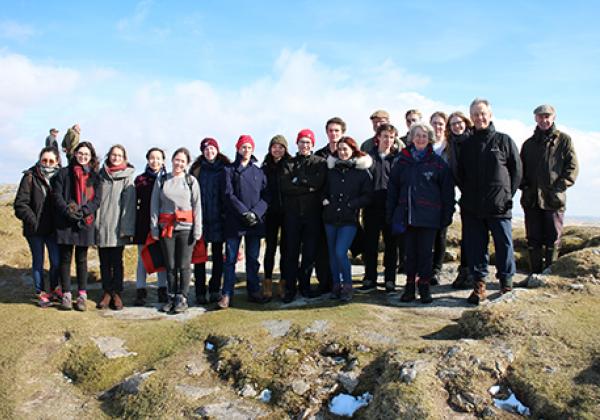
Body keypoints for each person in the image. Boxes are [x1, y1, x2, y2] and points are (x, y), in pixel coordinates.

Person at [457, 98, 522, 305]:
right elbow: (460, 175)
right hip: (472, 207)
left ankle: (506, 283)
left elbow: (517, 171)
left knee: (504, 245)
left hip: (499, 206)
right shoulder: (466, 145)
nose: (479, 117)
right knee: (476, 247)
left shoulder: (504, 141)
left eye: (483, 113)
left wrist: (506, 195)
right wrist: (467, 195)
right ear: (471, 117)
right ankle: (479, 286)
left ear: (490, 115)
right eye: (475, 114)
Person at [387, 123, 455, 304]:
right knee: (409, 254)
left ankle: (424, 287)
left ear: (430, 139)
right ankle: (409, 288)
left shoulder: (438, 163)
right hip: (406, 215)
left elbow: (447, 192)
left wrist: (447, 215)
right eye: (417, 135)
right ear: (411, 138)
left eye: (424, 136)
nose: (420, 139)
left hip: (429, 217)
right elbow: (393, 188)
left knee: (426, 254)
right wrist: (391, 212)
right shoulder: (402, 161)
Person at [519, 104, 578, 277]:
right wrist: (525, 187)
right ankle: (534, 276)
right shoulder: (528, 144)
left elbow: (572, 167)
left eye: (547, 116)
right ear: (535, 118)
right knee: (533, 239)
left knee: (553, 240)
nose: (544, 120)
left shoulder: (564, 140)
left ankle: (549, 276)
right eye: (540, 116)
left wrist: (558, 188)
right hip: (531, 200)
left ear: (553, 117)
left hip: (554, 200)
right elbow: (519, 170)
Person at [219, 135, 269, 309]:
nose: (246, 150)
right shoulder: (228, 170)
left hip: (255, 221)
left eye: (249, 147)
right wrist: (244, 212)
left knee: (253, 258)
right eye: (243, 147)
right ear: (238, 149)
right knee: (230, 259)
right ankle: (226, 293)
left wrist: (255, 213)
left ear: (253, 149)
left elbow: (266, 195)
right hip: (235, 221)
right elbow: (228, 194)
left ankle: (254, 290)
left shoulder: (259, 171)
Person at [150, 147, 202, 314]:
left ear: (187, 164)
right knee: (170, 265)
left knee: (184, 264)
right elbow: (154, 205)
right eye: (176, 160)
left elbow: (197, 206)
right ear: (172, 160)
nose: (179, 163)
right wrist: (154, 227)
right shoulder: (162, 179)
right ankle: (171, 296)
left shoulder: (191, 181)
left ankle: (183, 297)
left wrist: (197, 230)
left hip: (186, 228)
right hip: (167, 228)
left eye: (182, 161)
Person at [52, 141, 102, 311]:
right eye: (80, 153)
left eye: (86, 154)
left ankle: (82, 295)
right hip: (65, 221)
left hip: (85, 222)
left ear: (91, 157)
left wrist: (84, 211)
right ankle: (66, 293)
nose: (83, 156)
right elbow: (56, 195)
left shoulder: (95, 177)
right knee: (65, 259)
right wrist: (68, 211)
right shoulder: (63, 173)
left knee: (82, 260)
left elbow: (97, 200)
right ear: (75, 154)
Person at [323, 137, 373, 301]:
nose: (342, 152)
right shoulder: (331, 170)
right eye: (340, 149)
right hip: (330, 217)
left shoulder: (361, 172)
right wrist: (325, 200)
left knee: (340, 252)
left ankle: (347, 286)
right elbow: (322, 189)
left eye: (346, 149)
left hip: (349, 219)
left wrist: (353, 204)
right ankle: (336, 285)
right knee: (331, 254)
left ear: (353, 150)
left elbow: (368, 196)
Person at [280, 129, 327, 303]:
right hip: (292, 215)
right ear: (297, 144)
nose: (305, 145)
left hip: (312, 215)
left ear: (313, 144)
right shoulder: (289, 163)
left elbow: (319, 182)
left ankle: (305, 286)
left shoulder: (320, 162)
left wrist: (299, 182)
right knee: (291, 253)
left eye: (308, 142)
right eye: (302, 142)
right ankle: (290, 288)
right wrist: (308, 187)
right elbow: (285, 186)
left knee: (309, 254)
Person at [14, 146, 62, 307]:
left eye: (51, 161)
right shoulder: (29, 177)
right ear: (39, 160)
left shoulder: (61, 177)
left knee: (56, 261)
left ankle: (55, 289)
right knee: (38, 261)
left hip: (53, 228)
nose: (47, 163)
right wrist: (33, 220)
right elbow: (20, 204)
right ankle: (40, 292)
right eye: (44, 160)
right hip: (34, 229)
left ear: (57, 162)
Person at [359, 123, 400, 293]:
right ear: (378, 138)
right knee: (370, 245)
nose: (388, 140)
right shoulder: (368, 158)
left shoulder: (397, 159)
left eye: (391, 137)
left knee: (391, 246)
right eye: (385, 137)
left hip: (391, 208)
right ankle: (370, 278)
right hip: (371, 208)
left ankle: (390, 279)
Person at [95, 145, 136, 310]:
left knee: (117, 261)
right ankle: (106, 292)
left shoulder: (128, 177)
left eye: (119, 155)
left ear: (124, 158)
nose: (116, 157)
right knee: (104, 262)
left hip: (118, 226)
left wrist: (127, 229)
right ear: (109, 156)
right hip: (101, 223)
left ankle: (117, 293)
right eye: (113, 155)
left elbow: (129, 205)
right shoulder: (101, 175)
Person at [190, 138, 230, 305]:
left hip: (219, 219)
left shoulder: (225, 168)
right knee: (199, 257)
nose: (209, 152)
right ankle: (200, 291)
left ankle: (215, 289)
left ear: (217, 150)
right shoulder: (197, 170)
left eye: (212, 148)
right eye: (206, 149)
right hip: (201, 219)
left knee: (218, 257)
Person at [133, 147, 168, 306]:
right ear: (147, 160)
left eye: (158, 158)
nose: (155, 161)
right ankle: (141, 290)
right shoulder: (140, 180)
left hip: (163, 223)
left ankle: (162, 288)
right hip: (143, 223)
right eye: (152, 158)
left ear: (163, 160)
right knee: (142, 258)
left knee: (162, 257)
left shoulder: (168, 179)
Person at [445, 111, 475, 289]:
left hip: (478, 194)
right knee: (467, 235)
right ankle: (464, 270)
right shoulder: (452, 145)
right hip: (465, 194)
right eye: (453, 124)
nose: (457, 126)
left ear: (466, 123)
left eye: (459, 122)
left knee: (476, 236)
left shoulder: (473, 140)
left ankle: (474, 273)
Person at [261, 134, 291, 299]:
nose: (277, 149)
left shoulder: (290, 165)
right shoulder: (265, 167)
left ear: (285, 149)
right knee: (270, 248)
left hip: (287, 213)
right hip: (270, 213)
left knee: (286, 249)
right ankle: (267, 281)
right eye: (274, 146)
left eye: (280, 146)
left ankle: (283, 282)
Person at [429, 111, 449, 285]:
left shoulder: (450, 147)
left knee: (441, 235)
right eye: (434, 123)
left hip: (444, 195)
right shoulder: (425, 144)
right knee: (427, 234)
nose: (438, 127)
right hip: (427, 197)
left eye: (441, 123)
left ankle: (437, 269)